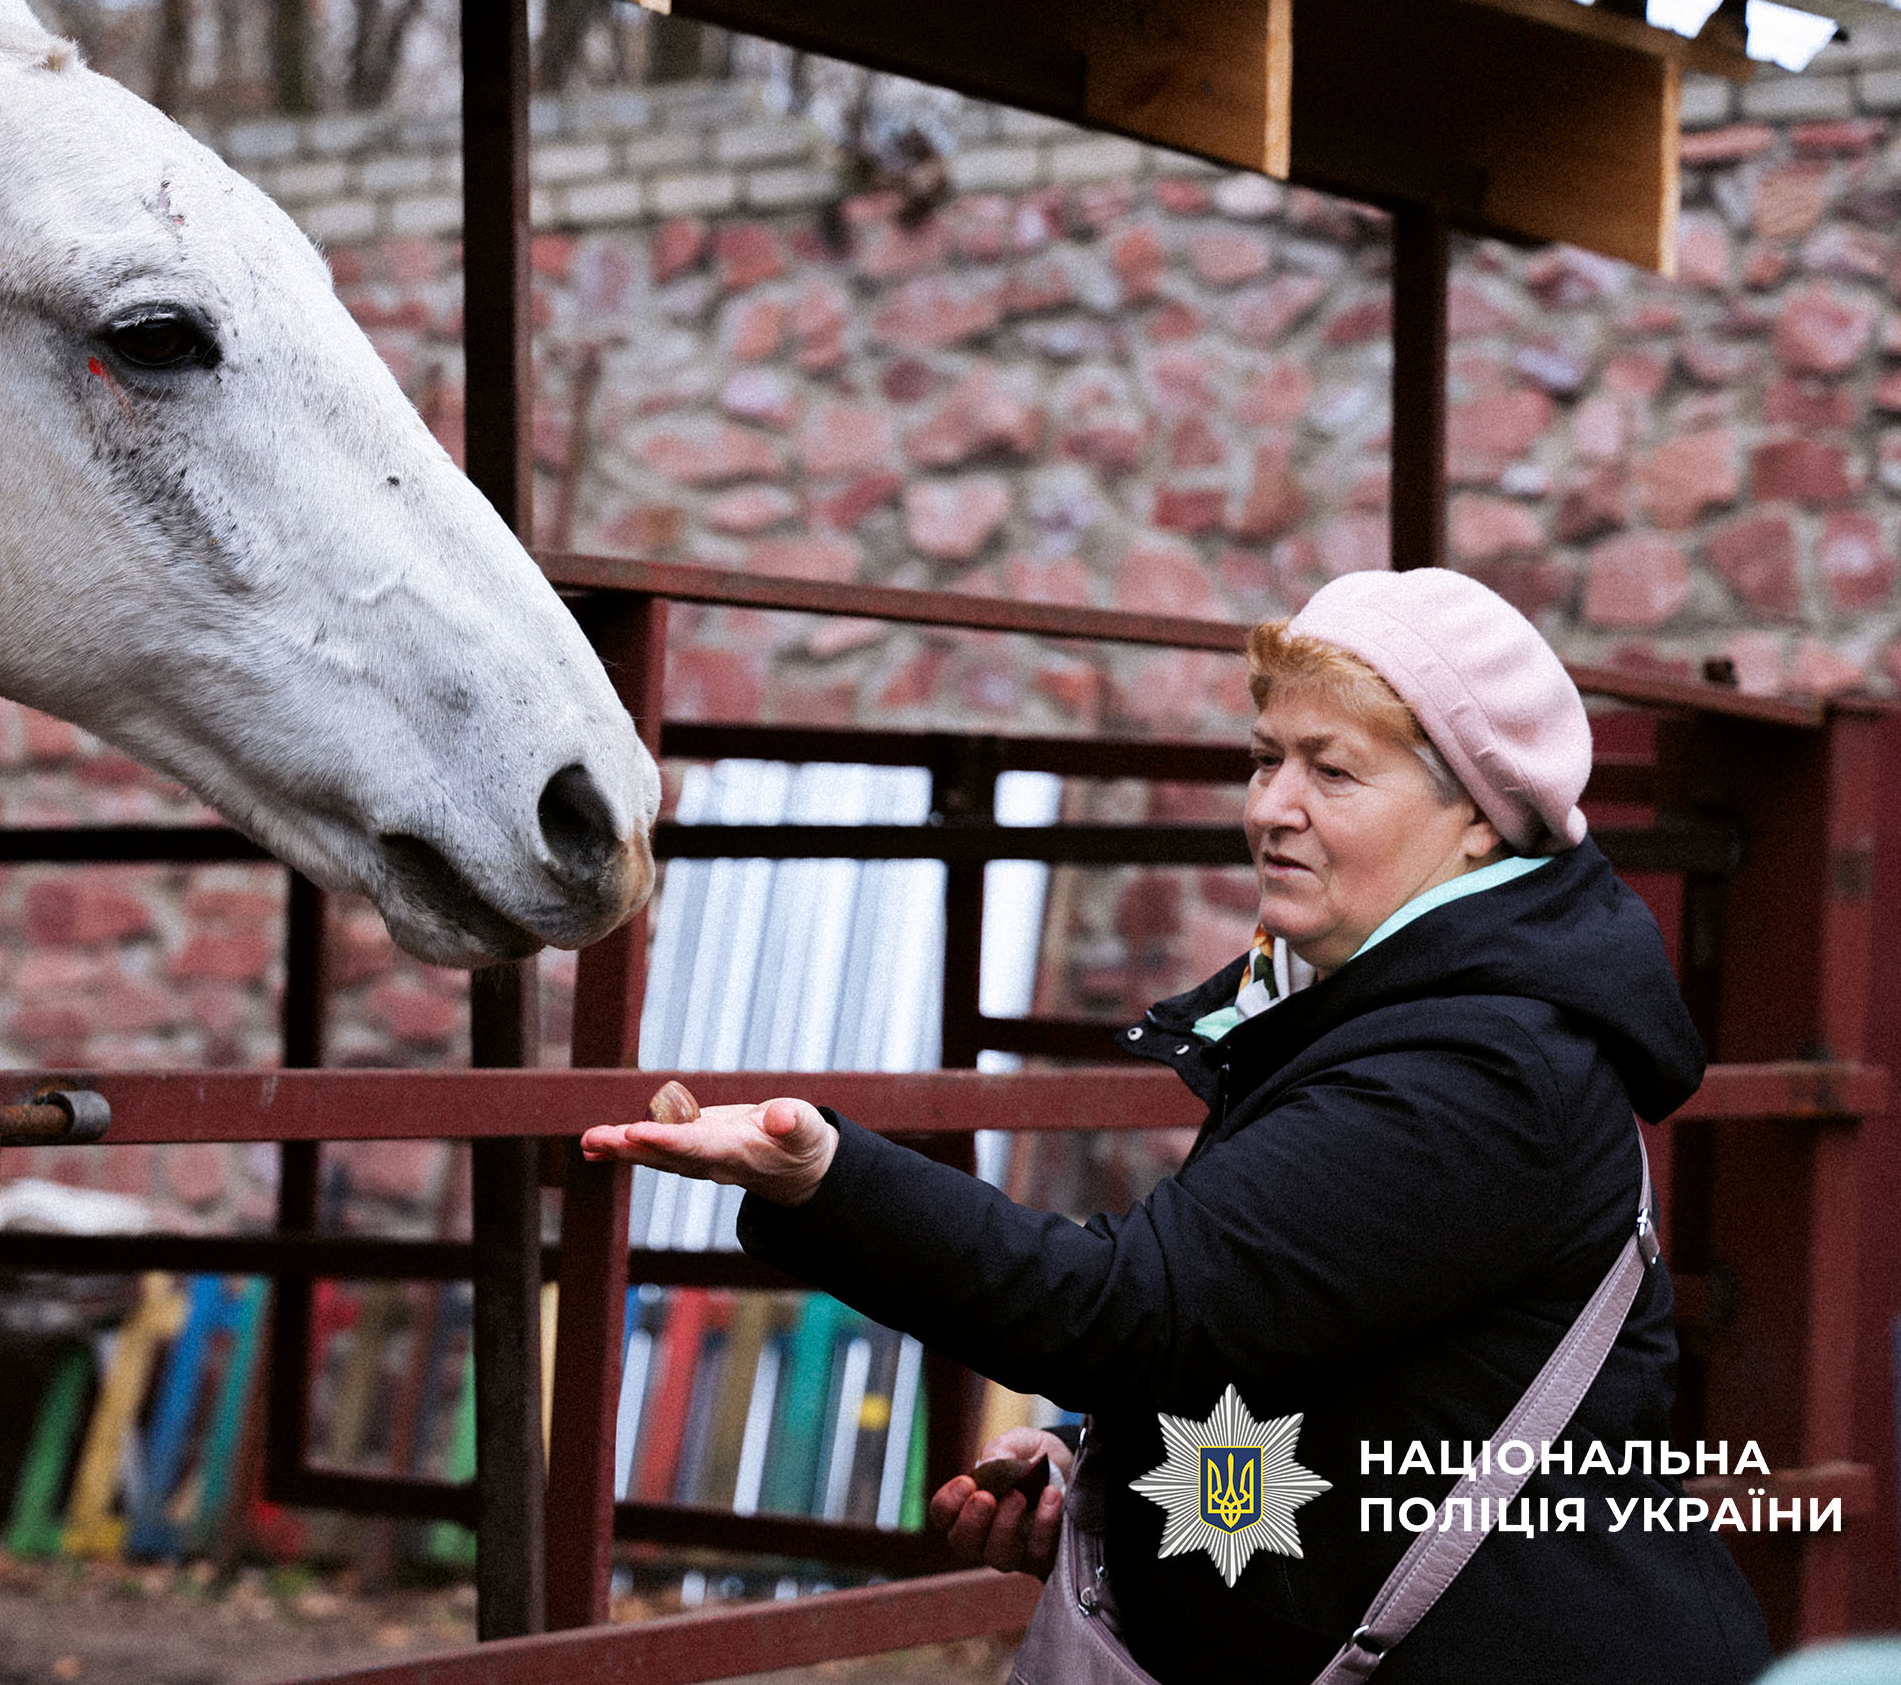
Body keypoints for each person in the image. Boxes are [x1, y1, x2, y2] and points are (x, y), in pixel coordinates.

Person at [582, 569, 1773, 1685]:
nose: (1274, 809)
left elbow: (1134, 1309)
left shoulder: (1472, 1072)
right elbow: (1328, 1384)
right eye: (1266, 760)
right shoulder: (1366, 1017)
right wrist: (1112, 1471)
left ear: (1478, 818)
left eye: (1335, 773)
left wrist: (826, 1178)